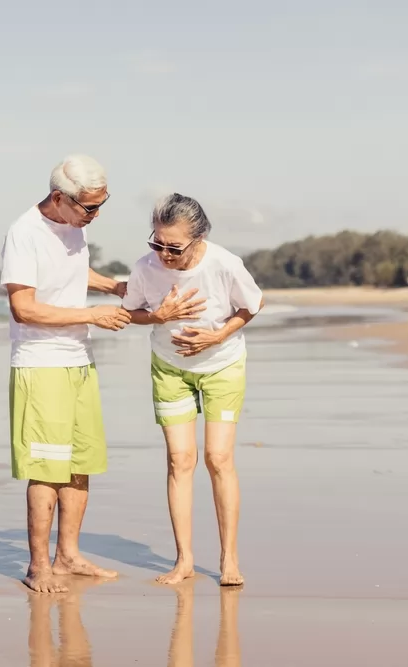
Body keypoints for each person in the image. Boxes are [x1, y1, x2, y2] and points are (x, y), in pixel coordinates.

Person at [0, 154, 130, 594]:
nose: (95, 215)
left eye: (101, 205)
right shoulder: (24, 234)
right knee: (47, 468)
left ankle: (69, 555)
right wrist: (91, 314)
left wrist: (113, 285)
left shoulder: (75, 226)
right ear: (60, 197)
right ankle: (39, 566)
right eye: (89, 207)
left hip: (78, 360)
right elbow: (24, 307)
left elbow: (71, 270)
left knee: (80, 464)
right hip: (41, 365)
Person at [121, 193, 264, 586]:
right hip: (169, 369)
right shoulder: (145, 268)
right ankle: (184, 561)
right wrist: (157, 315)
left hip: (222, 367)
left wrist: (216, 336)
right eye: (156, 243)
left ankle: (229, 560)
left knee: (218, 458)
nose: (163, 254)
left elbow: (251, 305)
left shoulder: (224, 263)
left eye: (173, 247)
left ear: (198, 239)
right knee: (179, 461)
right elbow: (132, 312)